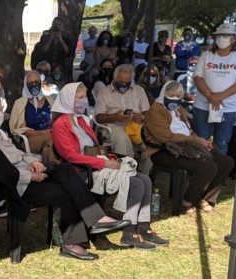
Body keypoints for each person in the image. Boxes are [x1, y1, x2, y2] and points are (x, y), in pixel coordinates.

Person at [0, 92, 130, 261]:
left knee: (65, 170)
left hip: (24, 175)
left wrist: (31, 162)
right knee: (67, 191)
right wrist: (29, 176)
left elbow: (18, 153)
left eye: (0, 109)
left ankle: (96, 219)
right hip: (10, 186)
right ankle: (74, 241)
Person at [51, 83, 169, 249]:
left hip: (97, 165)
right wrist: (104, 163)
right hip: (81, 172)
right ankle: (129, 233)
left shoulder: (82, 120)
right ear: (68, 100)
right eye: (79, 98)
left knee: (145, 180)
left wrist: (110, 159)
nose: (84, 101)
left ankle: (143, 227)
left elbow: (95, 147)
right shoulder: (60, 125)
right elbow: (71, 156)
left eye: (85, 97)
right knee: (135, 183)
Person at [143, 82, 234, 215]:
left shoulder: (178, 108)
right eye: (171, 95)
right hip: (165, 150)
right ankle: (187, 202)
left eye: (178, 96)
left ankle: (205, 198)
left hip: (187, 146)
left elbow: (188, 130)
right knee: (207, 166)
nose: (174, 98)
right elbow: (165, 137)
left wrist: (202, 142)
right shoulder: (156, 110)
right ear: (164, 94)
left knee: (226, 162)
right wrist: (196, 140)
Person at [192, 23, 236, 155]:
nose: (222, 38)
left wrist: (220, 96)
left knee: (222, 142)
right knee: (201, 141)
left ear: (234, 38)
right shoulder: (206, 55)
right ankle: (201, 170)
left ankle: (218, 171)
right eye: (219, 35)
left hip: (229, 106)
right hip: (203, 105)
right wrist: (210, 97)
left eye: (226, 35)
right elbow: (197, 77)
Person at [93, 64, 150, 157]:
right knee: (122, 139)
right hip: (114, 126)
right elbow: (98, 117)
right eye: (121, 82)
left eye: (127, 82)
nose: (124, 85)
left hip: (136, 126)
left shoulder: (138, 90)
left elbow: (147, 112)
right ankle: (124, 167)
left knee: (149, 144)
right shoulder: (104, 93)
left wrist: (141, 117)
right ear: (114, 78)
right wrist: (115, 117)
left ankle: (144, 171)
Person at [9, 70, 54, 153]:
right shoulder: (21, 104)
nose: (34, 85)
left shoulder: (50, 100)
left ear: (41, 83)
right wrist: (45, 133)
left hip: (52, 136)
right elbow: (25, 132)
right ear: (26, 85)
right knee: (52, 144)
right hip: (31, 140)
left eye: (36, 82)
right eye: (30, 83)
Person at [31, 17, 74, 84]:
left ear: (62, 27)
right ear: (52, 25)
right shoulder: (45, 36)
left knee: (59, 83)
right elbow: (43, 51)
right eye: (55, 24)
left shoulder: (66, 38)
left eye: (59, 24)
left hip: (60, 67)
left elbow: (68, 53)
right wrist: (50, 39)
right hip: (46, 66)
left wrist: (61, 40)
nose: (57, 26)